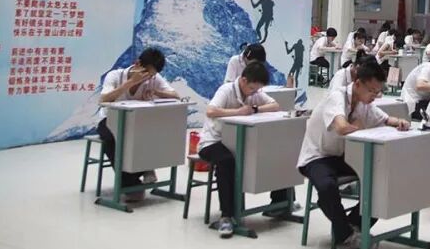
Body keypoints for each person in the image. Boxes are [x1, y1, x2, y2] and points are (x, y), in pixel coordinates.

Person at [298, 62, 410, 249]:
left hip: (341, 156)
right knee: (326, 186)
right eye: (371, 91)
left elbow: (384, 119)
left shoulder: (364, 103)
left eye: (378, 92)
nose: (374, 96)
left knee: (381, 177)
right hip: (317, 156)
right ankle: (346, 236)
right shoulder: (337, 96)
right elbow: (341, 127)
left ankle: (351, 226)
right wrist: (359, 126)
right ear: (357, 84)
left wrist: (400, 122)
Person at [197, 61, 294, 237]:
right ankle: (227, 216)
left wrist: (255, 109)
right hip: (213, 141)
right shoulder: (226, 90)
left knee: (273, 152)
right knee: (226, 161)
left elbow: (275, 105)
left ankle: (281, 203)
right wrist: (237, 112)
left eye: (257, 89)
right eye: (251, 88)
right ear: (243, 80)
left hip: (235, 141)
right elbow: (211, 111)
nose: (253, 92)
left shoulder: (254, 92)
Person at [97, 47, 178, 199]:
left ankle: (144, 170)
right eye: (145, 73)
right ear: (137, 64)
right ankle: (129, 183)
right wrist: (129, 83)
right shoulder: (115, 76)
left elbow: (175, 95)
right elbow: (103, 99)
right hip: (109, 119)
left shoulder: (153, 78)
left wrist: (156, 92)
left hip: (137, 121)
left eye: (151, 75)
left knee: (151, 134)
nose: (147, 78)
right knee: (112, 139)